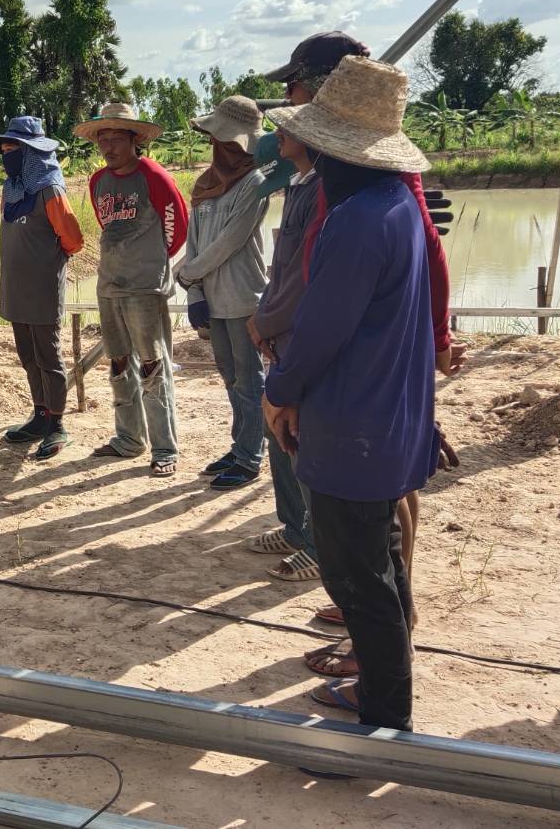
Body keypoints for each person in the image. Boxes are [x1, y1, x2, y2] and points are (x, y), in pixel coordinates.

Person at [262, 55, 437, 734]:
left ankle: (382, 718)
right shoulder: (397, 207)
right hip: (389, 417)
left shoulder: (356, 220)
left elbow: (319, 331)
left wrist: (278, 391)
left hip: (349, 426)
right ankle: (384, 695)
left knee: (356, 580)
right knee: (383, 568)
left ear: (338, 154)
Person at [76, 103, 188, 477]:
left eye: (115, 139)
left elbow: (177, 226)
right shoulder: (97, 182)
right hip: (109, 283)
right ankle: (128, 439)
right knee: (119, 362)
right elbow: (105, 223)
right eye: (102, 140)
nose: (108, 147)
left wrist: (153, 262)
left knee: (153, 364)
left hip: (144, 285)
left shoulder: (153, 176)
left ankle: (164, 447)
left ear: (134, 140)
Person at [176, 97, 270, 491]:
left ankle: (251, 457)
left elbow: (230, 242)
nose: (223, 148)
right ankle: (239, 445)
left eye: (231, 142)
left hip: (243, 297)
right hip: (213, 300)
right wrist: (195, 291)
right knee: (230, 377)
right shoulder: (205, 184)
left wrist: (187, 272)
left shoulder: (256, 183)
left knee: (249, 380)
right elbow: (195, 239)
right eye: (219, 140)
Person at [244, 122, 325, 582]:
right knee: (278, 430)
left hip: (295, 331)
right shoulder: (297, 184)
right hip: (279, 328)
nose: (281, 131)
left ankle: (317, 544)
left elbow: (302, 273)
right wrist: (265, 314)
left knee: (300, 436)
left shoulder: (323, 193)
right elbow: (281, 267)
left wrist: (269, 319)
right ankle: (295, 527)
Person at [0, 116, 84, 459]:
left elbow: (73, 239)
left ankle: (57, 424)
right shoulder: (10, 190)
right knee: (28, 355)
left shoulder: (50, 189)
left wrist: (47, 259)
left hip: (43, 286)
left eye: (13, 148)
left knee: (49, 356)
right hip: (16, 287)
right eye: (3, 149)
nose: (6, 155)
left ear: (32, 152)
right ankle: (40, 414)